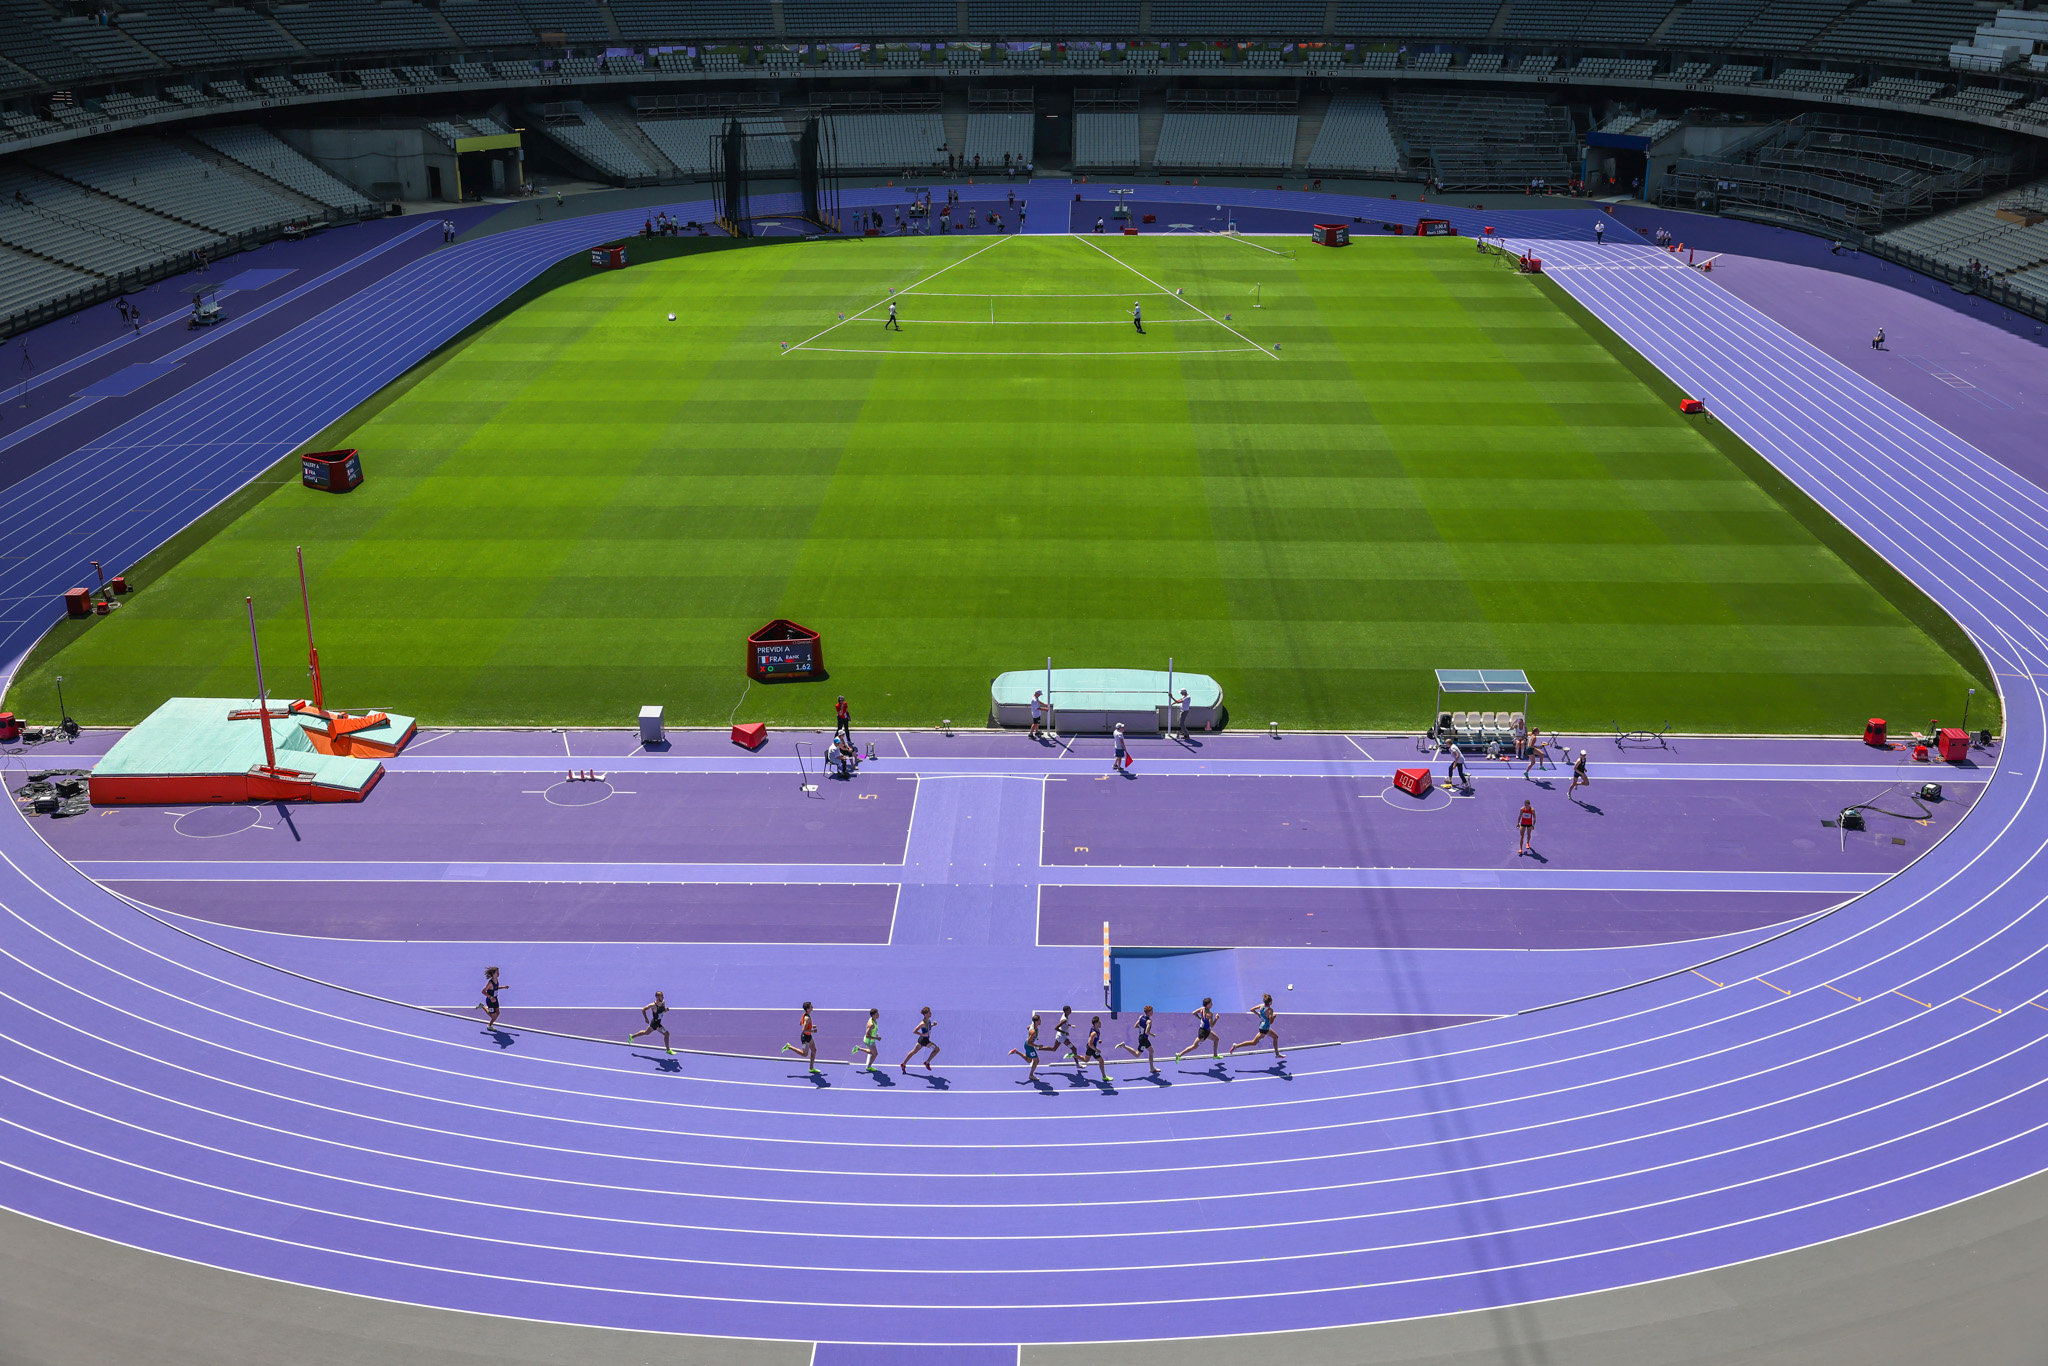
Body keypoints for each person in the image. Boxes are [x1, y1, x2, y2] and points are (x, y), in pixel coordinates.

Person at [1229, 993, 1284, 1064]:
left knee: (1274, 1037)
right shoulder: (1270, 1010)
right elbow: (1271, 1022)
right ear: (1270, 1002)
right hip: (1265, 1028)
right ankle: (1236, 1046)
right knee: (1255, 1042)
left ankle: (1277, 1054)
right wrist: (1274, 1017)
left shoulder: (1261, 1006)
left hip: (1262, 1026)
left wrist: (1258, 1014)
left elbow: (1252, 1009)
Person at [1175, 997, 1221, 1063]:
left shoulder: (1202, 1009)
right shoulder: (1209, 1014)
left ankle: (1215, 1055)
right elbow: (1212, 1025)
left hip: (1207, 1031)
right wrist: (1216, 1018)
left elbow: (1194, 1013)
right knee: (1194, 1046)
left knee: (1216, 1039)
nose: (1212, 1004)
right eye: (1211, 1003)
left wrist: (1200, 1018)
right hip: (1203, 1033)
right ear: (1207, 1005)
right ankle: (1179, 1055)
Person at [629, 989, 674, 1055]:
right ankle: (668, 1050)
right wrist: (646, 1018)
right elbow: (643, 1009)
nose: (663, 997)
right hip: (655, 1023)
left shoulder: (663, 1002)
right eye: (662, 996)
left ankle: (632, 1036)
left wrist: (665, 1010)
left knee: (646, 1033)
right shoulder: (653, 1005)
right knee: (666, 1034)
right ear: (658, 997)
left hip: (658, 1023)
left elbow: (662, 1010)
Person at [1117, 1004, 1158, 1071]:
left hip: (1141, 1037)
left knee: (1151, 1051)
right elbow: (1147, 1032)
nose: (1153, 1012)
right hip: (1144, 1039)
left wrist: (1142, 1027)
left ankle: (1152, 1068)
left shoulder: (1141, 1017)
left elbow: (1135, 1026)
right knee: (1137, 1055)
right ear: (1148, 1012)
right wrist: (1152, 1034)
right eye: (1151, 1011)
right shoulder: (1149, 1021)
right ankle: (1124, 1046)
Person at [780, 1000, 819, 1071]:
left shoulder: (804, 1015)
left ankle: (811, 1068)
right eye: (811, 1006)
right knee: (805, 1054)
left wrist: (811, 1026)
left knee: (814, 1050)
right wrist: (813, 1030)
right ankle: (789, 1046)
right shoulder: (807, 1018)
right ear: (807, 1009)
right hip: (805, 1038)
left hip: (809, 1036)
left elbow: (800, 1023)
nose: (812, 1007)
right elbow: (803, 1030)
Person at [901, 1006, 938, 1073]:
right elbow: (914, 1031)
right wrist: (923, 1034)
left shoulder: (928, 1020)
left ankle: (903, 1064)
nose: (931, 1013)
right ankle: (927, 1062)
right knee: (937, 1049)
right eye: (929, 1012)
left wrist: (933, 1025)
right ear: (926, 1014)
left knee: (914, 1052)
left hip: (921, 1040)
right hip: (924, 1041)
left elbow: (928, 1028)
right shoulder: (922, 1024)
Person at [1008, 1012, 1042, 1080]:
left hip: (1027, 1045)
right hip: (1029, 1046)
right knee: (1036, 1061)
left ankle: (1016, 1052)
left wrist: (1035, 1037)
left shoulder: (1032, 1025)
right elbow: (1029, 1042)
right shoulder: (1033, 1031)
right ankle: (1031, 1075)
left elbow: (1028, 1028)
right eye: (1039, 1020)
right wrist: (1037, 1046)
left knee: (1029, 1060)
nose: (1040, 1021)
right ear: (1036, 1021)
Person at [1080, 1016, 1110, 1082]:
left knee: (1086, 1060)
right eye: (1099, 1022)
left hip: (1090, 1048)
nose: (1100, 1023)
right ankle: (1104, 1077)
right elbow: (1090, 1044)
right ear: (1096, 1024)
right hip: (1091, 1048)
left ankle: (1074, 1055)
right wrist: (1096, 1050)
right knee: (1101, 1061)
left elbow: (1093, 1039)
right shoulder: (1094, 1033)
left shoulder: (1096, 1029)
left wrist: (1098, 1040)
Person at [479, 965, 505, 1031]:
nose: (498, 974)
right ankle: (489, 1025)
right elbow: (483, 991)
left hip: (495, 1000)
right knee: (493, 1016)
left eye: (498, 972)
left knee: (498, 1013)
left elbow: (495, 988)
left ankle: (482, 1006)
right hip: (490, 1002)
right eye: (497, 972)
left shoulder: (496, 980)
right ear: (493, 974)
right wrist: (491, 997)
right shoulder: (490, 983)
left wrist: (504, 987)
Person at [855, 1007, 881, 1071]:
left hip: (871, 1040)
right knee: (875, 1054)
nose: (878, 1014)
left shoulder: (873, 1019)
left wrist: (875, 1034)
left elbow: (871, 1031)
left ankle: (858, 1048)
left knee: (872, 1052)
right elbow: (867, 1035)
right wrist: (876, 1038)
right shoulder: (871, 1024)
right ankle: (869, 1067)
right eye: (877, 1014)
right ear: (873, 1015)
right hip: (869, 1041)